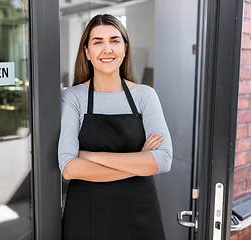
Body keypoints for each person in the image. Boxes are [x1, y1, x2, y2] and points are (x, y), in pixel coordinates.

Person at [58, 14, 172, 240]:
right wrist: (139, 161)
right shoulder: (73, 98)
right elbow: (69, 168)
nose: (107, 49)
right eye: (97, 42)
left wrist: (89, 156)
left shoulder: (145, 96)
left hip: (139, 213)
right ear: (87, 52)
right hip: (88, 215)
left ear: (125, 48)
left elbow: (163, 160)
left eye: (114, 40)